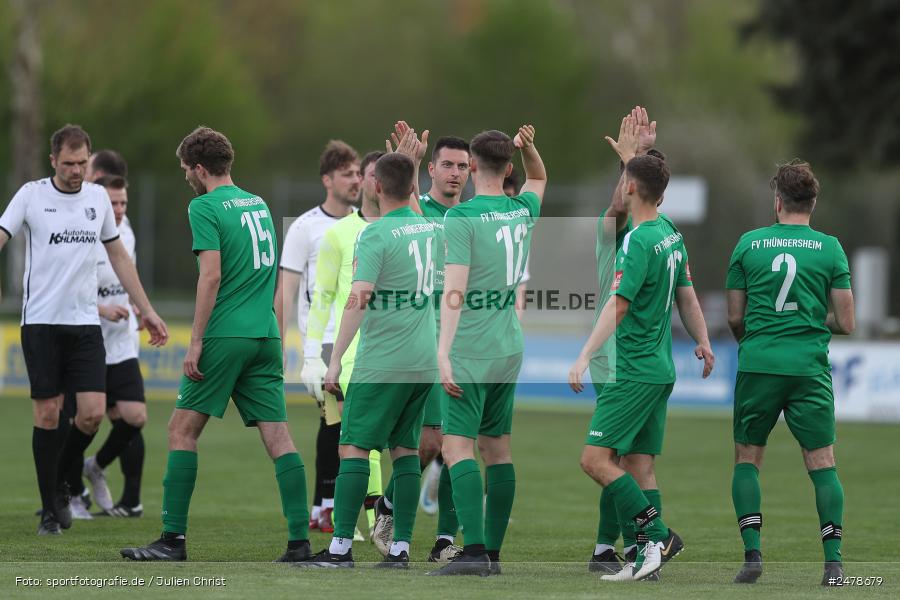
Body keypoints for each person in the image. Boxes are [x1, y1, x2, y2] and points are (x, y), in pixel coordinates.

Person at [121, 126, 309, 562]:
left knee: (181, 431)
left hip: (226, 334)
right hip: (265, 333)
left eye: (187, 168)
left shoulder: (203, 206)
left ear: (200, 169)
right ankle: (299, 542)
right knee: (280, 438)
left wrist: (196, 341)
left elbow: (211, 275)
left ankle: (172, 541)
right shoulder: (258, 203)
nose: (186, 174)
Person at [0, 124, 167, 535]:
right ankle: (50, 508)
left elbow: (119, 258)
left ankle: (62, 481)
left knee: (91, 414)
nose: (76, 170)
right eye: (69, 163)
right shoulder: (31, 195)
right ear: (53, 160)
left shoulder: (97, 199)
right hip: (41, 323)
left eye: (82, 163)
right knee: (48, 414)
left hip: (83, 324)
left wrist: (145, 310)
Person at [568, 148, 714, 581]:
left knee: (595, 460)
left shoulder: (639, 239)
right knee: (639, 465)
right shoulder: (670, 231)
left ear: (630, 186)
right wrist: (703, 340)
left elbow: (617, 306)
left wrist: (583, 355)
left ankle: (656, 536)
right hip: (660, 369)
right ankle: (648, 561)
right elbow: (686, 295)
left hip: (631, 371)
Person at [726, 159, 854, 586]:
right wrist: (814, 322)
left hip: (759, 361)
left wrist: (757, 336)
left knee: (748, 457)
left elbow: (734, 315)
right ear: (813, 202)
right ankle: (833, 564)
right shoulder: (831, 248)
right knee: (822, 463)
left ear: (777, 201)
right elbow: (847, 321)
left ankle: (752, 556)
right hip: (808, 367)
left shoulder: (747, 243)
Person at [310, 152, 439, 568]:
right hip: (423, 361)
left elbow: (358, 298)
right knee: (404, 452)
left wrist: (335, 361)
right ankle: (399, 549)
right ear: (414, 188)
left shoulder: (375, 234)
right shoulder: (432, 229)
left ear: (376, 186)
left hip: (383, 360)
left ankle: (340, 548)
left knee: (353, 448)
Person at [431, 125, 546, 576]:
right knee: (498, 450)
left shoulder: (462, 218)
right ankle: (493, 553)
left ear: (473, 166)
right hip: (508, 347)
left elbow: (454, 292)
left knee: (457, 448)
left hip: (471, 348)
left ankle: (474, 551)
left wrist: (442, 352)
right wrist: (532, 148)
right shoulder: (520, 210)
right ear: (509, 167)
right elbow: (539, 178)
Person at [374, 132, 471, 563]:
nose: (455, 173)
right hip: (423, 342)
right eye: (447, 164)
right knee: (429, 443)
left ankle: (446, 542)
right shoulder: (416, 212)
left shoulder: (473, 217)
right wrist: (402, 163)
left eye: (462, 166)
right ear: (430, 169)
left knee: (458, 447)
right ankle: (389, 507)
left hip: (467, 343)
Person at [275, 140, 359, 533]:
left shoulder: (364, 225)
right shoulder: (305, 228)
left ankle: (326, 506)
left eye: (359, 173)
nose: (356, 180)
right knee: (335, 422)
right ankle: (325, 506)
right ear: (327, 179)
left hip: (359, 340)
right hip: (323, 341)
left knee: (350, 426)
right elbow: (286, 292)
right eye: (347, 174)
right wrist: (280, 348)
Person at [304, 150, 385, 541]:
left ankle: (376, 522)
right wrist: (309, 357)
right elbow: (321, 298)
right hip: (347, 356)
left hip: (395, 353)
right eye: (367, 175)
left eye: (375, 175)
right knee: (352, 444)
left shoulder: (403, 230)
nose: (369, 182)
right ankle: (364, 524)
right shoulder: (337, 235)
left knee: (396, 446)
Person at [81, 173, 148, 518]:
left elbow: (127, 274)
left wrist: (137, 305)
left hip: (121, 342)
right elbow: (68, 293)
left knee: (135, 415)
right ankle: (67, 491)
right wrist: (102, 308)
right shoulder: (82, 234)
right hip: (87, 342)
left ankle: (95, 467)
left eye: (123, 202)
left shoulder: (128, 233)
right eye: (113, 203)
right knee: (80, 420)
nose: (119, 209)